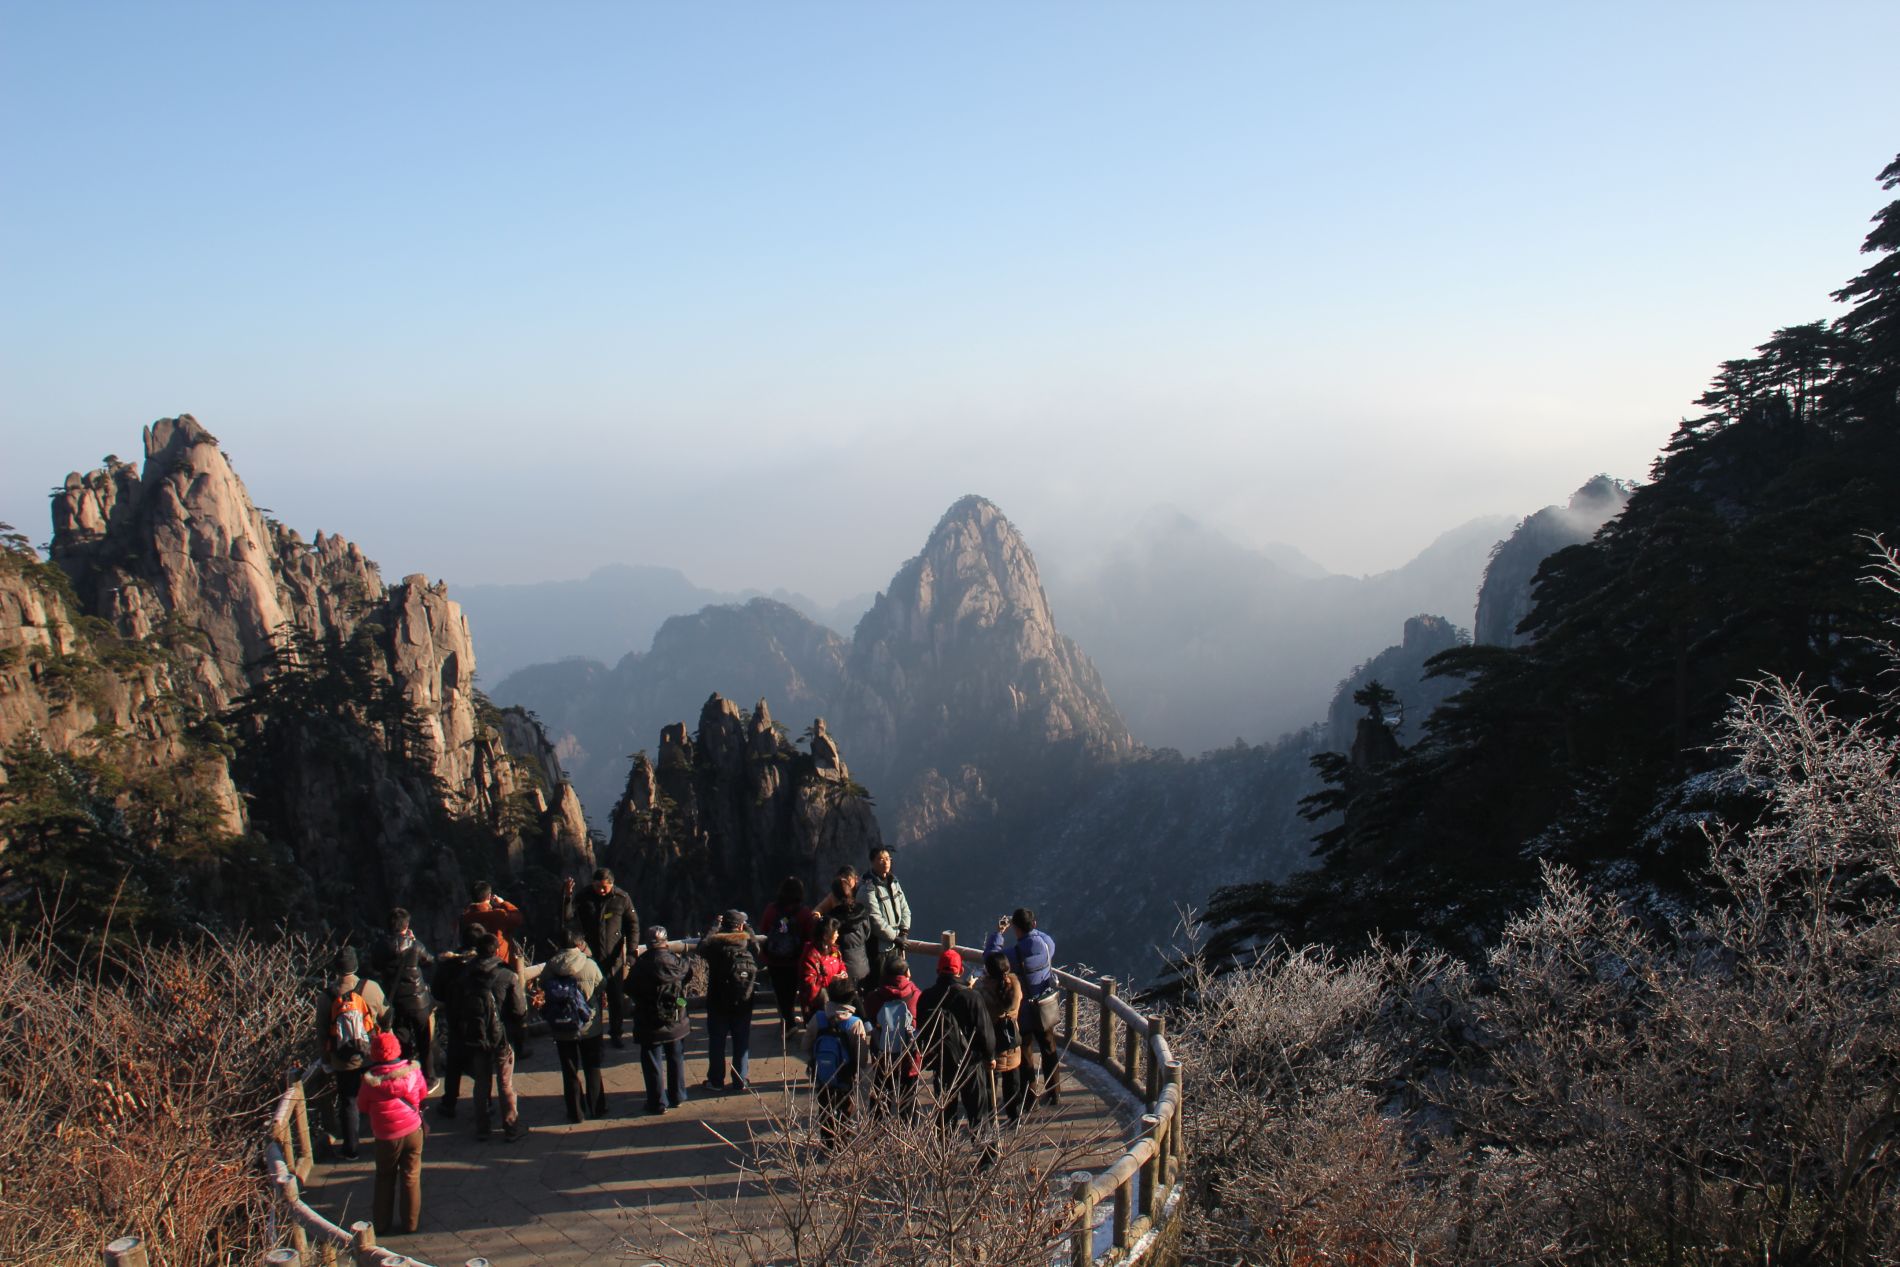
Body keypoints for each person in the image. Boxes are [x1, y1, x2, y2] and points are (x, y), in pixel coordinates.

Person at [984, 907, 1062, 1108]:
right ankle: (1055, 1093)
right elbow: (1040, 936)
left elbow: (992, 960)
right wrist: (1031, 928)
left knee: (1025, 1051)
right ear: (1034, 924)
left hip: (1025, 1011)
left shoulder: (1014, 954)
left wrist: (999, 934)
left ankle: (1030, 1098)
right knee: (1048, 1047)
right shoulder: (1047, 944)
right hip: (1044, 1006)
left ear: (1016, 929)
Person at [316, 948, 387, 1160]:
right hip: (371, 1052)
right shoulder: (370, 987)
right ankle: (383, 1141)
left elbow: (321, 1032)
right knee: (378, 1097)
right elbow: (386, 1015)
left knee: (349, 1101)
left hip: (343, 1058)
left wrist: (326, 1058)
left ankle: (351, 1148)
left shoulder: (327, 996)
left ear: (336, 970)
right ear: (355, 966)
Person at [917, 948, 995, 1135]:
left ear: (937, 971)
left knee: (945, 1114)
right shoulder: (971, 997)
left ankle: (944, 1154)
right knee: (978, 1112)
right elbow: (985, 1031)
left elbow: (921, 1029)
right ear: (960, 971)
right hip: (970, 1061)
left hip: (942, 1061)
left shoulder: (926, 997)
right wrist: (989, 1055)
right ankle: (985, 1157)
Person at [459, 932, 529, 1142]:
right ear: (497, 951)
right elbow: (519, 1009)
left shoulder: (466, 974)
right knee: (505, 1082)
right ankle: (511, 1126)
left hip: (476, 1035)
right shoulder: (506, 975)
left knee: (481, 1082)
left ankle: (482, 1128)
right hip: (501, 1035)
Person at [356, 1031, 427, 1234]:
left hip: (386, 1136)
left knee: (385, 1177)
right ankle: (411, 1224)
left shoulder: (369, 1082)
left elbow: (362, 1106)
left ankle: (381, 1224)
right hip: (413, 1129)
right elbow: (422, 1093)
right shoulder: (412, 1073)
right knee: (411, 1177)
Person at [562, 868, 637, 1049]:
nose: (601, 890)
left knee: (615, 997)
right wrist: (567, 897)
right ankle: (591, 1034)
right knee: (589, 997)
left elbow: (633, 925)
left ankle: (616, 1033)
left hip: (615, 957)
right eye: (598, 886)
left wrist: (633, 949)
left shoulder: (622, 898)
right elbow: (568, 918)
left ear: (612, 884)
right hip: (589, 957)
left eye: (604, 887)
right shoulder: (584, 896)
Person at [540, 929, 608, 1122]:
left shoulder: (551, 966)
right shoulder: (589, 964)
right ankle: (597, 1107)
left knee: (569, 1070)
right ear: (579, 944)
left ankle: (575, 1112)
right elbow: (602, 985)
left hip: (562, 1026)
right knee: (592, 1067)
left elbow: (543, 985)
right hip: (588, 1024)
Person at [693, 910, 759, 1093]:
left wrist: (713, 927)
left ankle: (716, 1081)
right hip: (743, 1000)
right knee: (741, 1041)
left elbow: (701, 948)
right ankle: (740, 1080)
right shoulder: (746, 944)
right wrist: (749, 929)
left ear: (724, 926)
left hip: (718, 1001)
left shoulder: (715, 945)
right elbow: (758, 949)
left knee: (717, 1042)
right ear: (740, 926)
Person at [370, 907, 436, 1083]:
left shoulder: (381, 947)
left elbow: (375, 965)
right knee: (424, 1041)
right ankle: (429, 1078)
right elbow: (429, 960)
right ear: (407, 925)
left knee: (402, 1041)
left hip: (396, 1001)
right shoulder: (415, 945)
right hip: (418, 1000)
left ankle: (406, 1078)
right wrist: (413, 940)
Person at [802, 979, 869, 1148]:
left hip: (822, 1074)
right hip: (845, 1076)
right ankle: (842, 1141)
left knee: (824, 1107)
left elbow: (806, 1045)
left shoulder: (818, 1018)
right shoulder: (854, 1023)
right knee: (845, 1109)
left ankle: (827, 1141)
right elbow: (861, 1057)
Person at [631, 924, 690, 1114]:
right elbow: (688, 974)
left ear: (648, 944)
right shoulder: (677, 962)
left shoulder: (641, 965)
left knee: (652, 1061)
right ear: (665, 942)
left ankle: (657, 1102)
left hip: (649, 1021)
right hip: (675, 1018)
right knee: (676, 1056)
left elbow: (628, 987)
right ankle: (678, 1095)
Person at [431, 923, 482, 1120]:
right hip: (479, 1019)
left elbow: (437, 992)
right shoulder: (485, 962)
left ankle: (449, 1102)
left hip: (455, 1017)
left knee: (454, 1062)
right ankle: (485, 1102)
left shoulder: (449, 964)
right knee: (480, 1062)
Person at [758, 876, 817, 1041]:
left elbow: (763, 932)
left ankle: (788, 1023)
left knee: (781, 993)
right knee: (798, 992)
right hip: (796, 961)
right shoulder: (804, 913)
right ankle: (804, 1022)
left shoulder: (771, 910)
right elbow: (810, 936)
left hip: (775, 960)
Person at [863, 956, 923, 1122]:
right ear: (907, 973)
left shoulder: (874, 997)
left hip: (883, 1055)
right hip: (909, 1056)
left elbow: (870, 1019)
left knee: (881, 1098)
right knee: (909, 1099)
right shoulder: (917, 996)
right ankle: (908, 1137)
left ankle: (876, 1137)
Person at [975, 950, 1028, 1124]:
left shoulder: (983, 990)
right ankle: (1015, 1115)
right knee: (1012, 1078)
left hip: (991, 1039)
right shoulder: (1016, 986)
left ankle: (991, 1116)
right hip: (1012, 1037)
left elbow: (979, 1010)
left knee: (990, 1080)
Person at [816, 865, 874, 990]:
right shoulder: (861, 912)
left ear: (834, 895)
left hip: (842, 971)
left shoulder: (832, 921)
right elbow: (867, 934)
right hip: (862, 967)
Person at [862, 846, 912, 984]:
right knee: (879, 985)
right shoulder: (868, 888)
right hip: (879, 949)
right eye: (881, 859)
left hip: (895, 947)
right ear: (872, 862)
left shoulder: (893, 882)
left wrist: (904, 931)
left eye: (888, 858)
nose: (886, 862)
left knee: (895, 985)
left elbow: (905, 908)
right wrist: (896, 937)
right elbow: (874, 918)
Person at [460, 882, 525, 972]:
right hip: (500, 964)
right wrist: (503, 903)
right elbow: (518, 918)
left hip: (472, 964)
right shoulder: (497, 914)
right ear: (489, 896)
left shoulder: (465, 917)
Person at [798, 917, 849, 1021]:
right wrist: (830, 980)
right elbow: (809, 984)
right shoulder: (811, 954)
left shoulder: (834, 949)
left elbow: (841, 963)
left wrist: (843, 972)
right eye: (835, 932)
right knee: (824, 996)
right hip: (819, 1000)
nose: (838, 935)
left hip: (834, 991)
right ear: (826, 936)